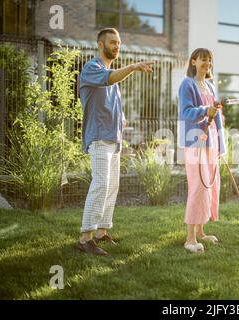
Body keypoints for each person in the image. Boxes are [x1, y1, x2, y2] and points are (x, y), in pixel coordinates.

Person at [77, 28, 154, 255]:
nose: (117, 46)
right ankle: (85, 238)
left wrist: (121, 118)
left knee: (112, 187)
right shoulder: (93, 68)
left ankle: (101, 232)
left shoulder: (113, 77)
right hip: (99, 138)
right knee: (100, 184)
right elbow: (108, 79)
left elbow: (113, 101)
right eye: (112, 42)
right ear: (100, 45)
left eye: (119, 43)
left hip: (113, 140)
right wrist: (133, 67)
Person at [178, 48, 226, 253]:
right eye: (203, 59)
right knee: (198, 187)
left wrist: (221, 147)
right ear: (194, 61)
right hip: (195, 142)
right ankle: (189, 239)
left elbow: (218, 120)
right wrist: (205, 110)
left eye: (209, 60)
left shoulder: (211, 87)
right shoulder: (187, 84)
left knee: (209, 186)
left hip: (212, 142)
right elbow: (186, 112)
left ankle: (200, 232)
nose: (207, 63)